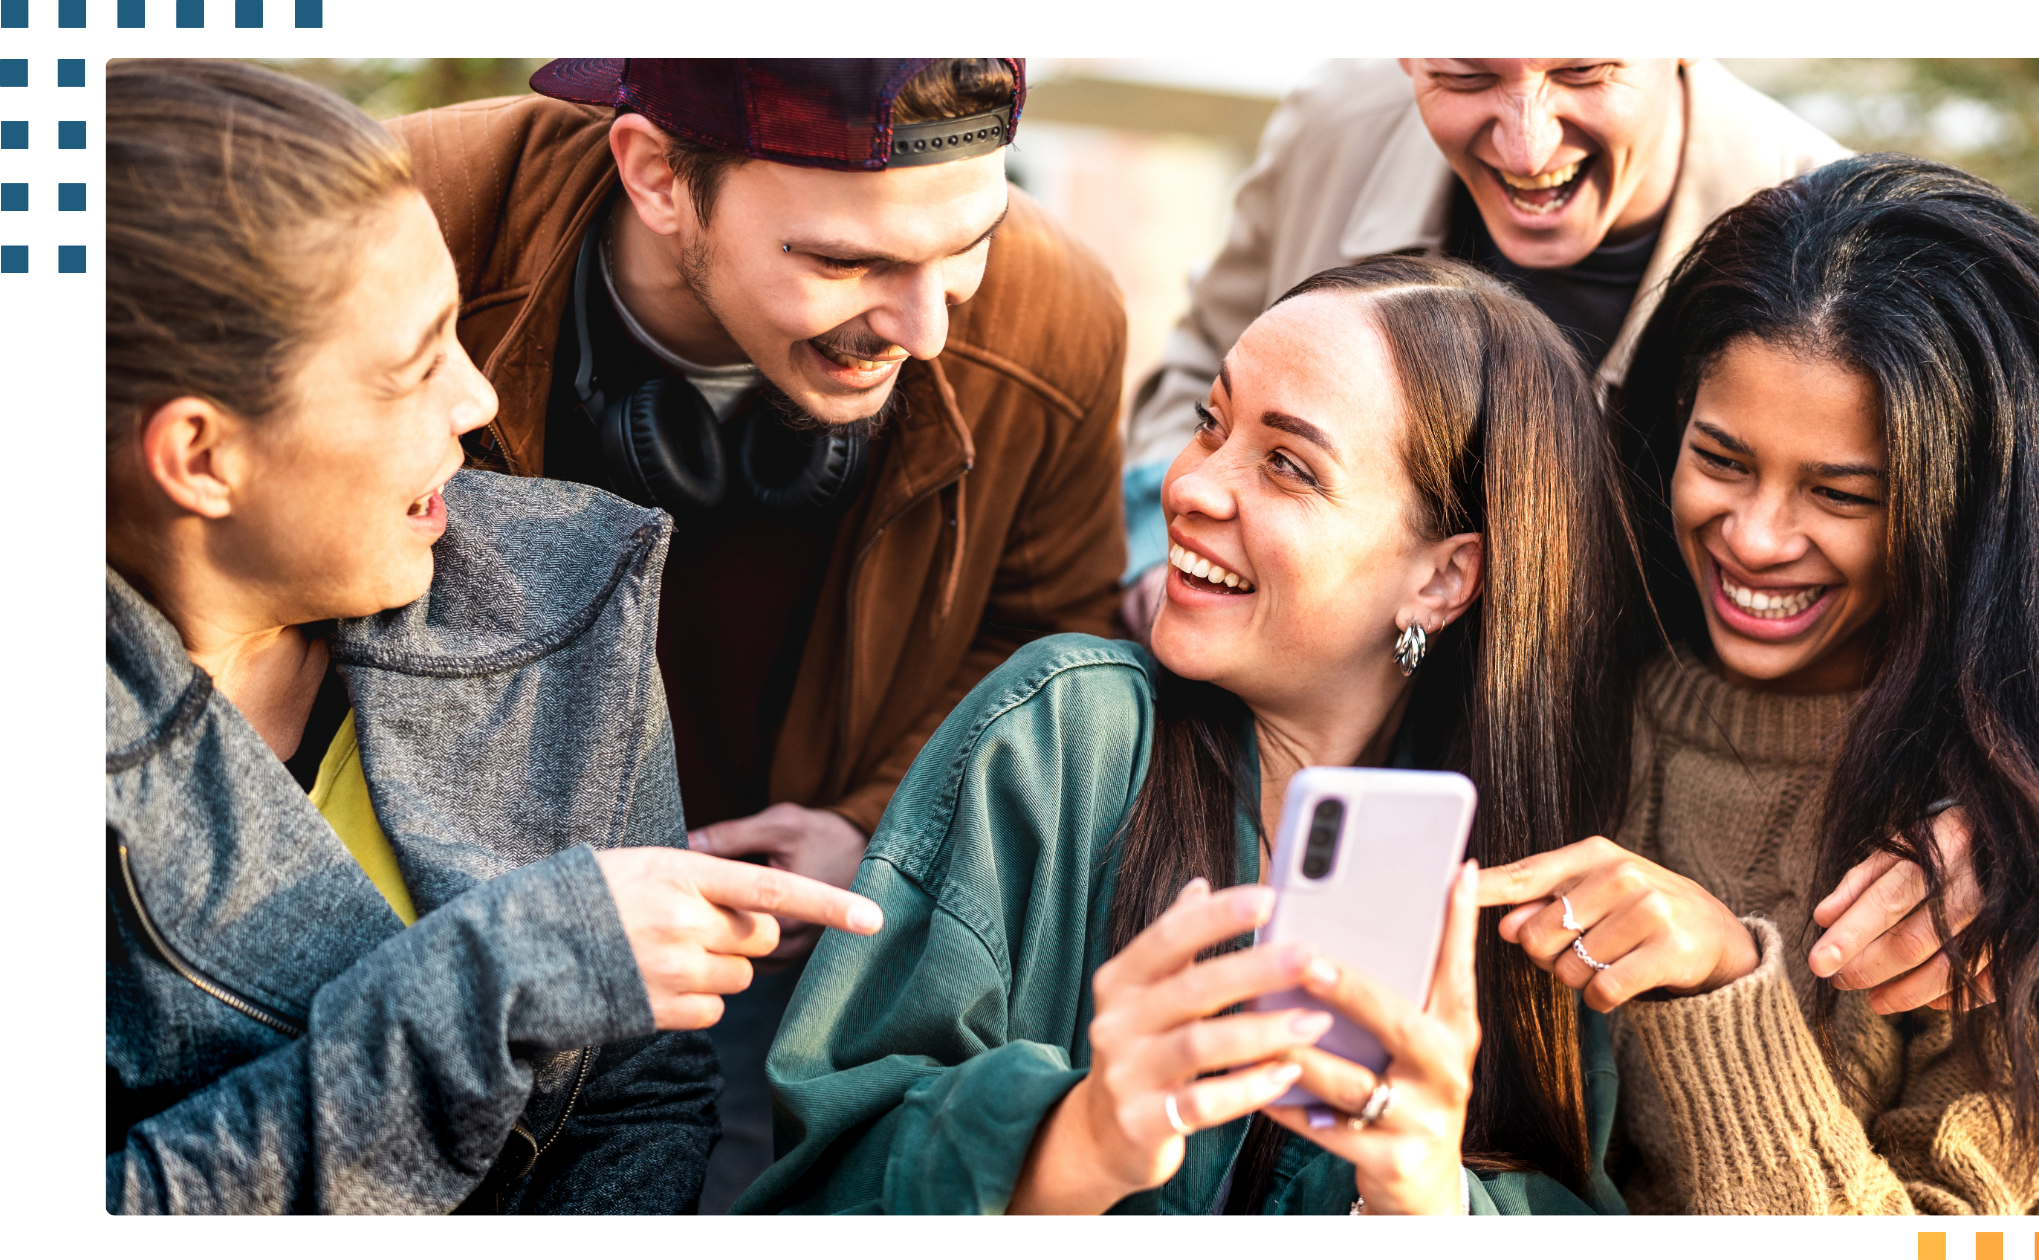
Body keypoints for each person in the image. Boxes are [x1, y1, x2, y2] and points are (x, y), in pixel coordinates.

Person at [105, 59, 882, 1215]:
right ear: (202, 457)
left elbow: (644, 1098)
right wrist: (495, 982)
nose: (477, 403)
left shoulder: (568, 588)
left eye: (460, 340)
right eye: (416, 368)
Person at [740, 255, 1640, 1215]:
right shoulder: (1062, 739)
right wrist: (1077, 1141)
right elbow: (820, 1186)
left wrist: (1429, 1206)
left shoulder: (1523, 890)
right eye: (1211, 423)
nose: (1192, 488)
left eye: (1288, 465)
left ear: (1442, 580)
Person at [387, 62, 1127, 1198]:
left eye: (970, 239)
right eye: (844, 260)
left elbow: (1036, 634)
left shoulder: (1056, 312)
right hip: (416, 920)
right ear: (655, 176)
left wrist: (875, 827)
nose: (927, 328)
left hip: (779, 958)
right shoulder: (390, 223)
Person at [1480, 153, 2039, 1213]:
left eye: (1840, 493)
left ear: (1972, 517)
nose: (1752, 538)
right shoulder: (1557, 663)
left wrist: (1719, 988)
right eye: (1720, 459)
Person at [1116, 58, 1848, 632]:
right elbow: (1204, 358)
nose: (1528, 148)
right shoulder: (1331, 126)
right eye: (1467, 77)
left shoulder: (1844, 235)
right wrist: (1162, 553)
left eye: (1584, 74)